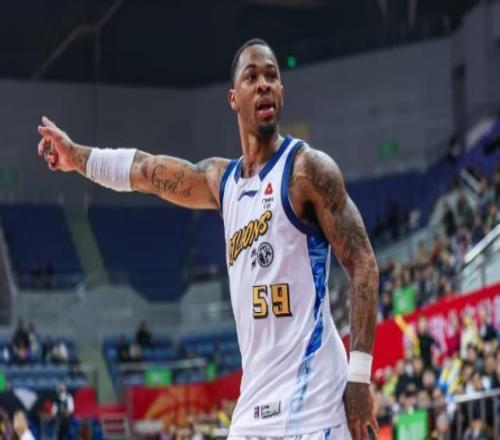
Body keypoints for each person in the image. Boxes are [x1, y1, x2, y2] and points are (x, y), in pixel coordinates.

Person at [37, 38, 379, 440]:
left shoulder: (307, 170)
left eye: (272, 76)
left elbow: (363, 264)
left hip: (316, 401)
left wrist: (359, 376)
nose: (264, 84)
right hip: (255, 405)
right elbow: (147, 171)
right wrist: (76, 157)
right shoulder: (222, 182)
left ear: (282, 92)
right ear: (234, 98)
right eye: (252, 77)